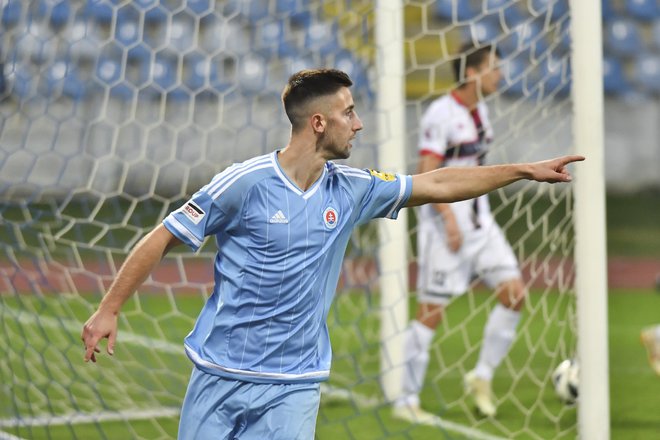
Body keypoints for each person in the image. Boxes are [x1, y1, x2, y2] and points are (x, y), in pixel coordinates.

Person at [81, 68, 583, 439]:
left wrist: (520, 170)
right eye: (349, 113)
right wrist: (109, 307)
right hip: (220, 373)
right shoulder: (245, 183)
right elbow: (164, 234)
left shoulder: (352, 189)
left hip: (295, 384)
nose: (358, 124)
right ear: (319, 122)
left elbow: (438, 181)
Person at [393, 43, 526, 421]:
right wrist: (448, 219)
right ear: (472, 72)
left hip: (482, 225)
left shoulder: (480, 109)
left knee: (515, 295)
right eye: (494, 67)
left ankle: (481, 376)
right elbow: (426, 172)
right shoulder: (441, 113)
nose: (500, 74)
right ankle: (406, 400)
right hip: (445, 228)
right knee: (431, 312)